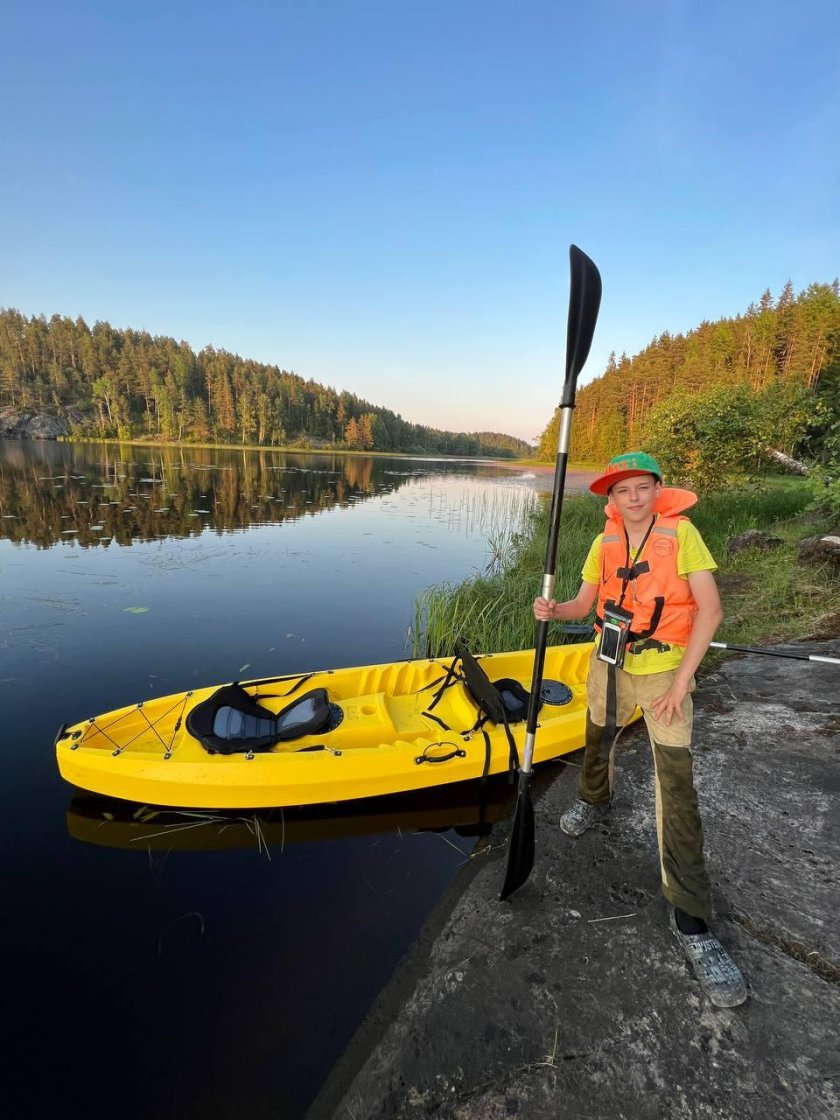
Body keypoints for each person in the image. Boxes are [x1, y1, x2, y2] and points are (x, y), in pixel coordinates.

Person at [534, 451, 747, 1008]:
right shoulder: (602, 542)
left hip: (664, 676)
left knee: (675, 788)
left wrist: (681, 682)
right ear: (609, 498)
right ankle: (593, 798)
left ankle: (693, 922)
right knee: (596, 740)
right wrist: (554, 612)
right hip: (608, 665)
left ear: (657, 490)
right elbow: (586, 603)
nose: (632, 497)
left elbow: (711, 610)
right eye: (622, 489)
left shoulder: (682, 534)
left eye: (642, 487)